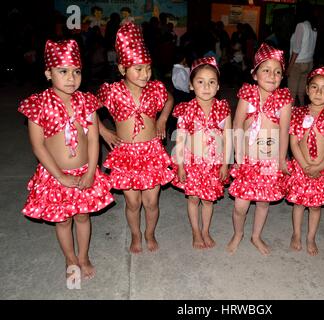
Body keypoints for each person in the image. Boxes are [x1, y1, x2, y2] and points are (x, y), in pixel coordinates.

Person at [17, 39, 114, 283]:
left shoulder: (86, 101)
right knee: (63, 220)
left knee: (83, 216)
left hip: (84, 171)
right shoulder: (38, 105)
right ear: (48, 73)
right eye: (63, 72)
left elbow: (93, 140)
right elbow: (38, 145)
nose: (71, 78)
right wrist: (60, 176)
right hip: (55, 175)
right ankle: (69, 257)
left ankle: (83, 256)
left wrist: (92, 171)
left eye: (76, 71)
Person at [97, 23, 175, 254]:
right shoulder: (111, 91)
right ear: (122, 68)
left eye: (148, 68)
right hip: (125, 154)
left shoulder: (156, 88)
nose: (145, 74)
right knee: (133, 203)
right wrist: (103, 130)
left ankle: (150, 233)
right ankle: (135, 234)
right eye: (138, 69)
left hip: (151, 152)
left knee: (151, 202)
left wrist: (162, 120)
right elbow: (87, 108)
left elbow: (170, 99)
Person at [227, 43, 293, 256]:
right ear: (254, 74)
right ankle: (238, 233)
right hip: (247, 160)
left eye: (277, 72)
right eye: (266, 70)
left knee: (263, 202)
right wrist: (237, 154)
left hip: (269, 160)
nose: (272, 76)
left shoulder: (284, 100)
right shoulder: (247, 94)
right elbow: (237, 125)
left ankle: (256, 236)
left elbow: (284, 132)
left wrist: (282, 160)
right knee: (240, 205)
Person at [171, 57, 232, 249]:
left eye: (211, 82)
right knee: (194, 198)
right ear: (190, 86)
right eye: (200, 82)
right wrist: (180, 165)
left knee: (208, 201)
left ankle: (205, 230)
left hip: (214, 164)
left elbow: (229, 138)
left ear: (217, 86)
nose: (206, 86)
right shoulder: (185, 110)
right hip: (192, 163)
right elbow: (180, 140)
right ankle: (196, 231)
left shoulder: (223, 109)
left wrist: (225, 164)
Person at [286, 66, 324, 255]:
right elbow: (294, 144)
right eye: (314, 87)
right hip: (300, 166)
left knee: (315, 207)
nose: (318, 92)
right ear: (306, 89)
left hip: (323, 169)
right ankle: (296, 233)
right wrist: (305, 166)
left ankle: (311, 236)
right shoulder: (297, 113)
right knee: (299, 204)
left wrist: (319, 166)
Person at [286, 2, 318, 106]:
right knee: (301, 93)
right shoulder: (313, 28)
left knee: (292, 93)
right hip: (309, 63)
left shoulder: (301, 26)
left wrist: (289, 67)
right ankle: (303, 113)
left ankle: (291, 117)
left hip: (298, 64)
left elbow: (296, 49)